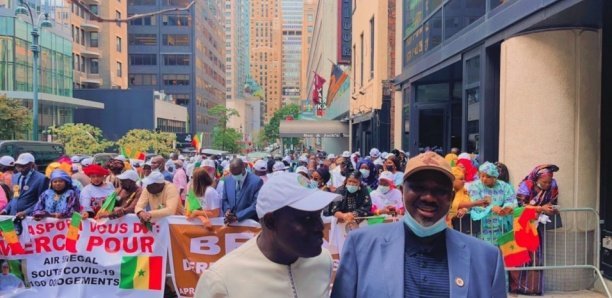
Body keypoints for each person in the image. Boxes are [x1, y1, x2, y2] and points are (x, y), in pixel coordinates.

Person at [331, 152, 507, 297]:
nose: (428, 197)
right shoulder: (361, 246)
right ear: (402, 191)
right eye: (418, 187)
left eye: (439, 190)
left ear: (451, 198)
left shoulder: (487, 258)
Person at [194, 172, 339, 298]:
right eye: (307, 219)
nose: (320, 226)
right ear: (271, 222)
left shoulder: (323, 261)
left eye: (318, 215)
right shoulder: (221, 280)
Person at [509, 164, 560, 295]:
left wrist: (552, 209)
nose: (547, 184)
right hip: (522, 223)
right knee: (520, 255)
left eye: (549, 181)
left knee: (536, 256)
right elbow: (521, 205)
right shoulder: (526, 185)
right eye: (544, 182)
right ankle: (518, 287)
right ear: (537, 179)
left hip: (538, 225)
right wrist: (540, 208)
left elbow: (553, 202)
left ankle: (533, 288)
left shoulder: (553, 185)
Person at [468, 162, 517, 245]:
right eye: (482, 176)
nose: (484, 179)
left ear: (495, 177)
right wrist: (491, 208)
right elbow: (475, 203)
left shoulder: (504, 186)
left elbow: (511, 199)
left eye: (488, 176)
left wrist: (507, 208)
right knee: (485, 252)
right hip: (482, 227)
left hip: (501, 227)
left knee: (501, 253)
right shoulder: (475, 186)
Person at [1, 153, 49, 218]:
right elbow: (15, 197)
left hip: (29, 218)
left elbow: (42, 201)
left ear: (32, 165)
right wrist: (6, 209)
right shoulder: (15, 177)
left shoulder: (42, 179)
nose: (20, 169)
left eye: (24, 166)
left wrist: (26, 212)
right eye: (18, 166)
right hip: (13, 216)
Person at [221, 158, 263, 224]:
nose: (235, 176)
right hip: (230, 223)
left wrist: (237, 216)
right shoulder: (228, 180)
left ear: (244, 167)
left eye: (237, 173)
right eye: (233, 174)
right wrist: (227, 210)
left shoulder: (256, 181)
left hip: (248, 223)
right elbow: (225, 199)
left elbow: (255, 205)